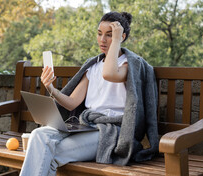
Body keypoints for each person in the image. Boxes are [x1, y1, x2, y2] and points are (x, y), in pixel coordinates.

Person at [20, 11, 159, 176]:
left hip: (111, 132)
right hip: (86, 126)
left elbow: (110, 74)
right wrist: (51, 88)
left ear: (121, 37)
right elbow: (72, 102)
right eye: (99, 34)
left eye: (109, 35)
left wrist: (116, 41)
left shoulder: (129, 65)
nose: (102, 39)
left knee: (50, 153)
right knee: (38, 134)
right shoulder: (93, 66)